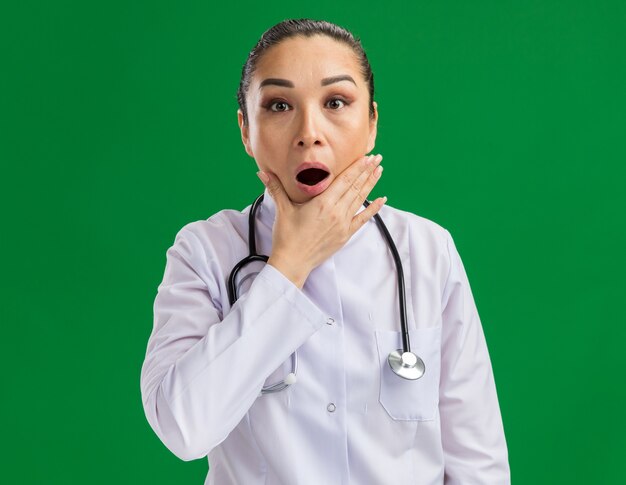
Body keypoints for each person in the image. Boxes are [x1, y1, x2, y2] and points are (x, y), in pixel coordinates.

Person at [140, 18, 510, 484]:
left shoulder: (428, 250)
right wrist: (288, 268)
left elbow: (479, 464)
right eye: (278, 105)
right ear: (245, 131)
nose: (309, 132)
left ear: (372, 122)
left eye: (336, 102)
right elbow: (182, 429)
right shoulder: (206, 252)